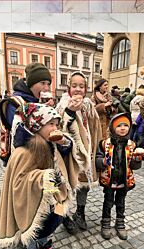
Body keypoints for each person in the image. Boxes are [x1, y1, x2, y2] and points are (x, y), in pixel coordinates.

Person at [0, 103, 80, 249]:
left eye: (57, 124)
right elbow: (19, 182)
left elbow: (67, 152)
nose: (55, 127)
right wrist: (42, 177)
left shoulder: (52, 143)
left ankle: (46, 245)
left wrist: (65, 143)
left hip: (53, 193)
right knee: (37, 226)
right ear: (38, 125)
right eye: (51, 124)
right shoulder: (24, 151)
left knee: (53, 219)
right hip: (34, 199)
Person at [56, 71, 102, 233]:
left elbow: (96, 128)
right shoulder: (62, 105)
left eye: (81, 86)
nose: (78, 89)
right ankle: (63, 217)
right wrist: (69, 111)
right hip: (67, 155)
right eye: (74, 86)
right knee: (63, 187)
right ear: (69, 87)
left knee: (84, 186)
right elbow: (57, 128)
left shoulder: (89, 105)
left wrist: (96, 148)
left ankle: (80, 213)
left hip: (85, 154)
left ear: (86, 88)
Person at [96, 113, 144, 240]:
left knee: (121, 202)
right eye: (119, 126)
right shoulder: (104, 144)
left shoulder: (132, 145)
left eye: (125, 125)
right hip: (109, 179)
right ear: (112, 128)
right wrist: (103, 162)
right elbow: (98, 159)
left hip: (124, 180)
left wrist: (137, 159)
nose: (123, 128)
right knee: (108, 202)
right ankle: (105, 223)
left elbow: (134, 166)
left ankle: (120, 223)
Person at [0, 63, 52, 165]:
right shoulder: (13, 102)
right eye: (42, 83)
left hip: (38, 157)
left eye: (48, 84)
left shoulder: (38, 101)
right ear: (31, 83)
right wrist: (41, 111)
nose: (46, 88)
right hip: (19, 160)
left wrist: (48, 111)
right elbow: (21, 133)